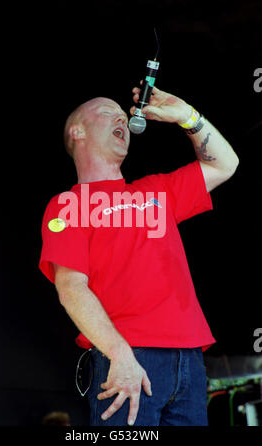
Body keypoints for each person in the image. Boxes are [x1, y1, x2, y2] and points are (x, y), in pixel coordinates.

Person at [39, 84, 239, 426]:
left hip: (190, 359)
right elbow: (71, 287)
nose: (121, 115)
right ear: (78, 131)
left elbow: (225, 164)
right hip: (128, 356)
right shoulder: (66, 204)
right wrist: (119, 354)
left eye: (122, 113)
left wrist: (186, 115)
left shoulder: (156, 190)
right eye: (107, 112)